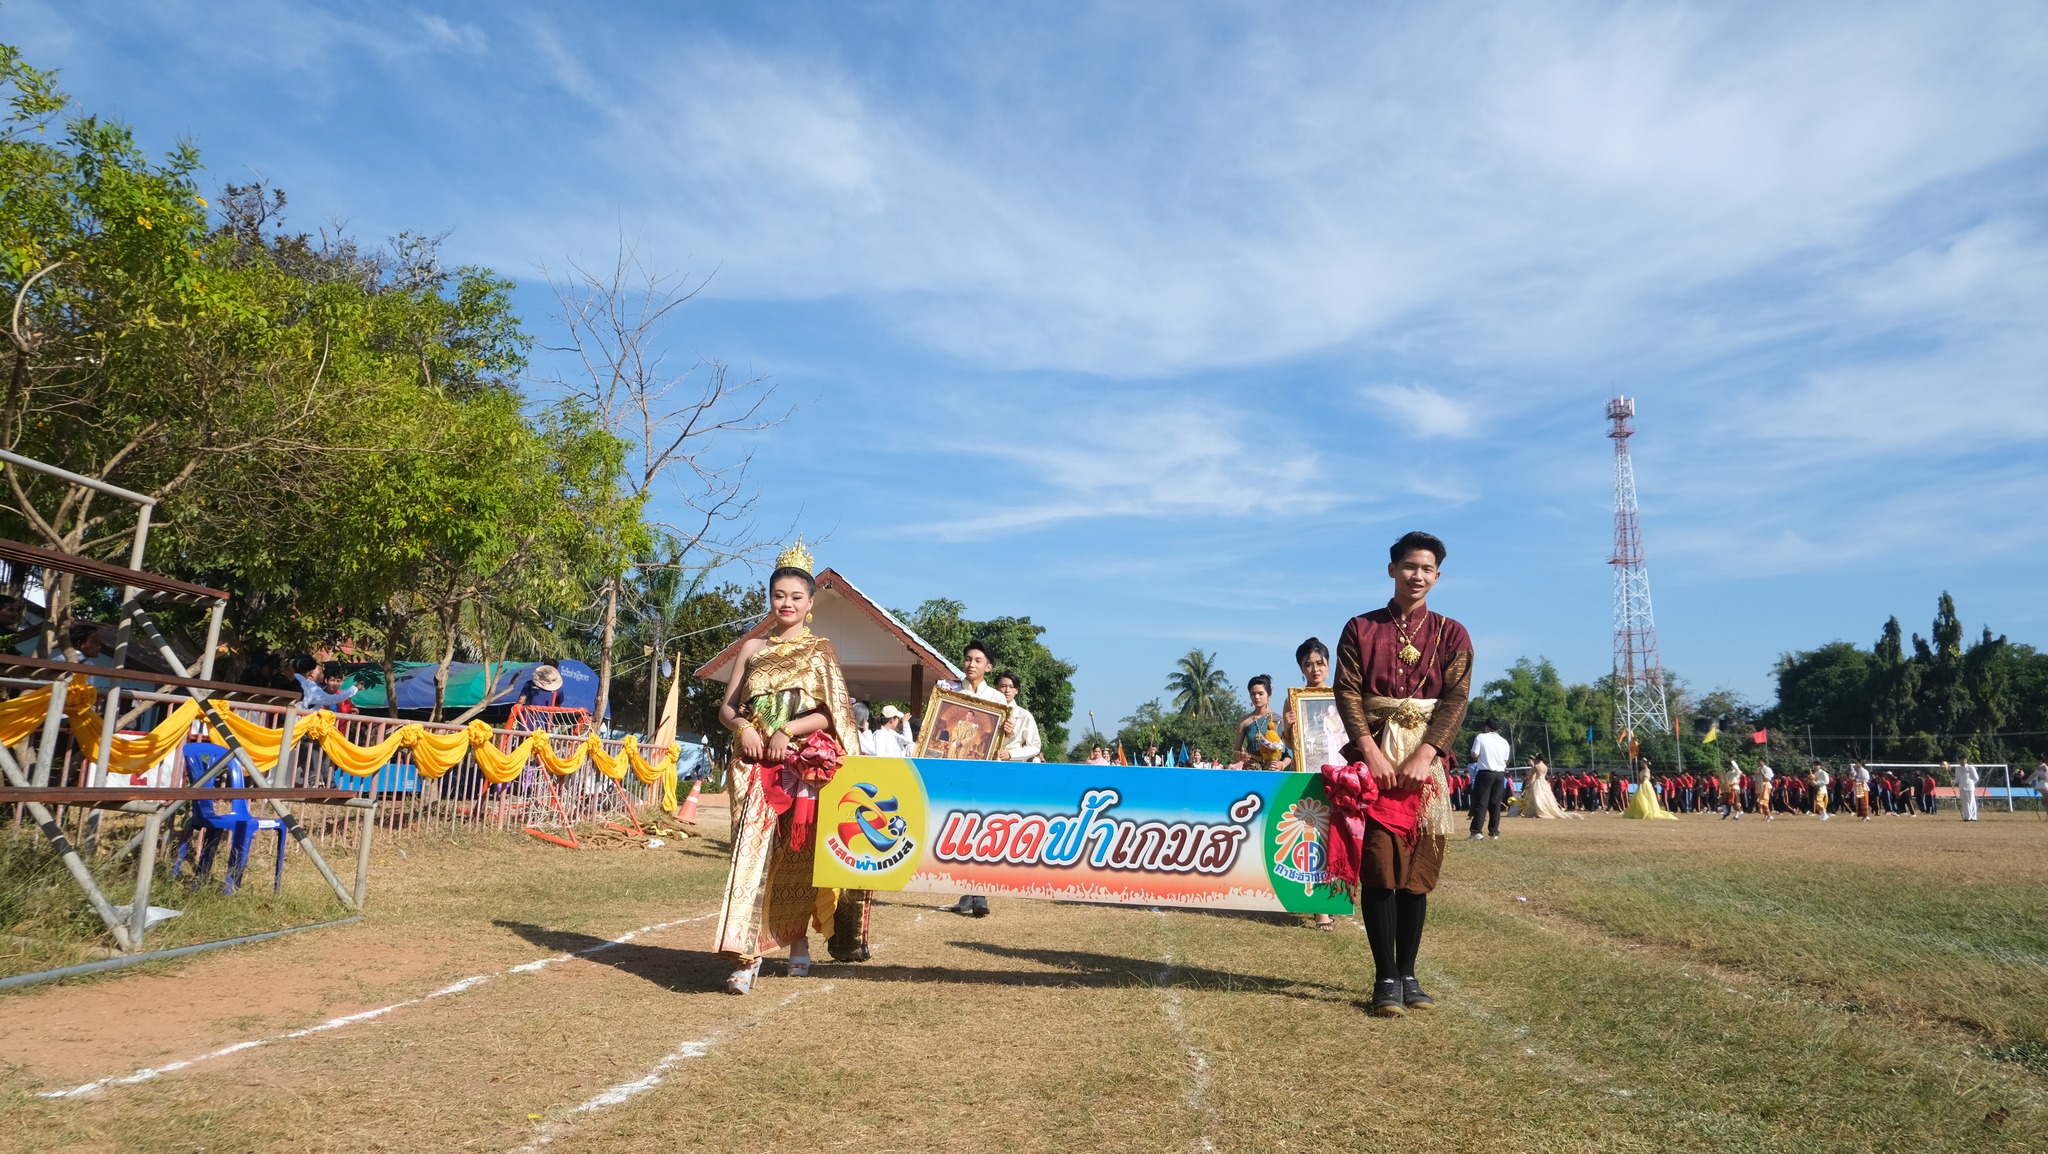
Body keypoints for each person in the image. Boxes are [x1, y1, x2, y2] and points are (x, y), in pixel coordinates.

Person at [1329, 531, 1472, 1017]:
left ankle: (1409, 974)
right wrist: (1370, 752)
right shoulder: (1360, 628)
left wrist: (1426, 754)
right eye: (1410, 566)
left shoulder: (1453, 634)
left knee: (1416, 873)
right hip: (1376, 763)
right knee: (1380, 868)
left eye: (1427, 569)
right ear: (1392, 569)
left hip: (1426, 770)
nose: (1418, 575)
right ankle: (1385, 977)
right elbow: (1347, 691)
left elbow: (1456, 698)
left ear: (1438, 576)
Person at [713, 547, 869, 993]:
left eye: (797, 597)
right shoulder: (752, 648)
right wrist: (744, 726)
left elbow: (834, 714)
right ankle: (746, 956)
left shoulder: (820, 651)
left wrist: (788, 729)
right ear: (770, 599)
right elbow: (727, 708)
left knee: (796, 858)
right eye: (779, 595)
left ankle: (797, 938)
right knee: (752, 858)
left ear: (810, 603)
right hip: (752, 769)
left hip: (802, 770)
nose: (787, 603)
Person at [940, 640, 1011, 917]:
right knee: (958, 828)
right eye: (968, 659)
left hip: (984, 773)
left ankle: (978, 892)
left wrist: (1006, 731)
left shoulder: (996, 699)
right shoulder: (949, 691)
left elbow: (999, 742)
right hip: (954, 771)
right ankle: (966, 891)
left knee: (980, 829)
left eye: (978, 660)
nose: (971, 664)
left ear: (988, 667)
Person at [1467, 719, 1510, 841]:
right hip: (1500, 774)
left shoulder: (1481, 737)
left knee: (1481, 802)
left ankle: (1476, 831)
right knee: (1495, 803)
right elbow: (1505, 759)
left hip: (1485, 772)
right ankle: (1494, 832)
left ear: (1487, 727)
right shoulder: (1504, 741)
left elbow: (1475, 754)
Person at [1236, 674, 1290, 770]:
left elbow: (1289, 753)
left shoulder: (1280, 721)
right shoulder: (1244, 722)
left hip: (1274, 771)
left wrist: (1282, 765)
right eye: (1253, 694)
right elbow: (1236, 751)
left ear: (1269, 695)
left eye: (1261, 694)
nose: (1256, 697)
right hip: (1251, 771)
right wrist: (1240, 756)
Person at [994, 672, 1042, 762]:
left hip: (1013, 764)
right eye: (1003, 686)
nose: (1007, 690)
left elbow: (1035, 746)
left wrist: (1011, 754)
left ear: (1016, 690)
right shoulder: (989, 711)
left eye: (1011, 687)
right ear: (997, 688)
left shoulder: (1024, 715)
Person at [1519, 754, 1581, 820]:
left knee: (1536, 797)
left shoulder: (1536, 766)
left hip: (1538, 782)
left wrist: (1527, 780)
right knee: (1544, 797)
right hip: (1544, 782)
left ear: (1537, 759)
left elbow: (1530, 774)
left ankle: (1538, 811)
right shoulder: (1545, 766)